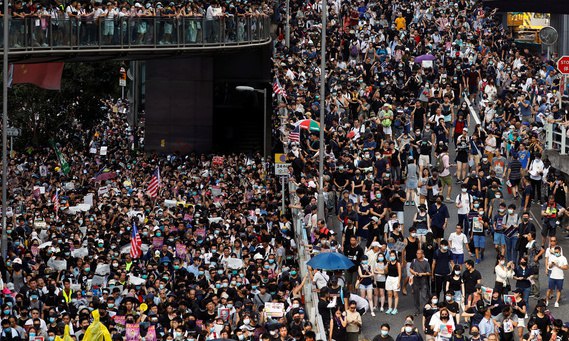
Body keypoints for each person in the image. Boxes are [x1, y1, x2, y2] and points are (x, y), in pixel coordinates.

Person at [410, 249, 432, 316]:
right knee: (416, 296)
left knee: (424, 296)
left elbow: (429, 273)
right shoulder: (414, 261)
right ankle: (417, 310)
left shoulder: (426, 263)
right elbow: (411, 269)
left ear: (422, 254)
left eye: (419, 253)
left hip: (423, 281)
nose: (418, 255)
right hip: (416, 281)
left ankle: (425, 310)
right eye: (417, 253)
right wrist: (414, 273)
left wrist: (422, 274)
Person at [385, 250, 402, 315]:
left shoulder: (398, 264)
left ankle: (395, 309)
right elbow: (386, 271)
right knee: (389, 294)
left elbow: (400, 274)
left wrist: (398, 282)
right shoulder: (388, 263)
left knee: (395, 294)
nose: (392, 257)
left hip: (396, 279)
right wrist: (386, 266)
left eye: (393, 255)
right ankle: (390, 308)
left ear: (395, 256)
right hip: (389, 278)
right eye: (391, 256)